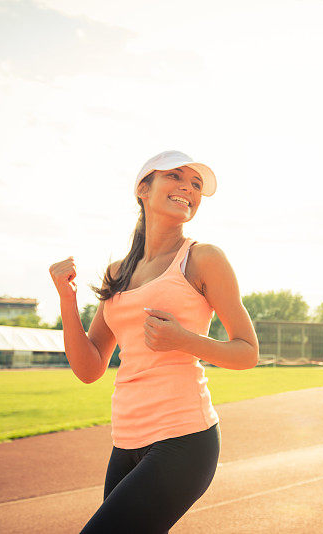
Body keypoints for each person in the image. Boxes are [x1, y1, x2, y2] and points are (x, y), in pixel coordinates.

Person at [48, 150, 259, 533]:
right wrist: (67, 299)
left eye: (196, 185)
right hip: (125, 440)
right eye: (175, 177)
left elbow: (246, 352)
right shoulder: (118, 272)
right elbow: (89, 367)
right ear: (143, 189)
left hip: (184, 439)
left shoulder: (203, 258)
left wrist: (182, 339)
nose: (187, 189)